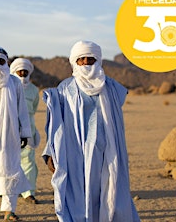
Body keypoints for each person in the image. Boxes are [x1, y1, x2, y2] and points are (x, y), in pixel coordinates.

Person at [42, 40, 140, 221]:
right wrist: (51, 153)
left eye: (90, 59)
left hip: (107, 152)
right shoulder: (65, 89)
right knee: (79, 197)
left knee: (110, 191)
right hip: (76, 154)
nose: (86, 63)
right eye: (81, 59)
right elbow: (56, 124)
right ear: (74, 62)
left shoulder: (112, 88)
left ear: (98, 60)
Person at [0, 47, 32, 221]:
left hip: (11, 137)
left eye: (2, 61)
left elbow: (22, 110)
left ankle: (9, 211)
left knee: (10, 171)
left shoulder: (15, 82)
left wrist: (25, 133)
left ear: (6, 62)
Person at [10, 58, 41, 205]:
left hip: (28, 128)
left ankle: (28, 193)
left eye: (25, 72)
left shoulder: (34, 90)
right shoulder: (8, 86)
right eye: (19, 72)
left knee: (28, 160)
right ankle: (4, 191)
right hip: (9, 128)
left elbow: (33, 109)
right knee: (7, 160)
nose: (22, 74)